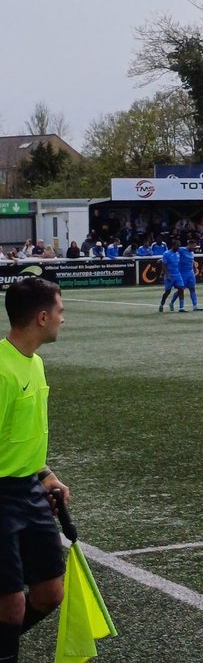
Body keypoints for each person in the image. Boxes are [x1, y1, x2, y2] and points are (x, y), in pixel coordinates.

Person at [0, 277, 71, 661]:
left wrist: (45, 475)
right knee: (9, 604)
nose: (64, 319)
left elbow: (18, 436)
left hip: (29, 490)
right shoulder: (0, 371)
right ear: (42, 317)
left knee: (50, 594)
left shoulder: (36, 363)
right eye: (61, 311)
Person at [158, 238, 186, 312]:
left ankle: (181, 307)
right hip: (169, 275)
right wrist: (167, 275)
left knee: (181, 289)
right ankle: (162, 304)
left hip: (177, 274)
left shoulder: (178, 253)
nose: (179, 247)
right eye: (178, 246)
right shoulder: (167, 254)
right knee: (167, 291)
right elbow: (164, 265)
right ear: (173, 246)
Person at [178, 238, 202, 312]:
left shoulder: (192, 253)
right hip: (182, 273)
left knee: (192, 289)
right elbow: (171, 252)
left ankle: (195, 306)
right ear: (189, 245)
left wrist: (194, 269)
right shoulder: (181, 250)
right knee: (181, 289)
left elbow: (192, 261)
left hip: (190, 273)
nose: (194, 248)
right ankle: (181, 307)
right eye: (194, 246)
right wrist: (162, 258)